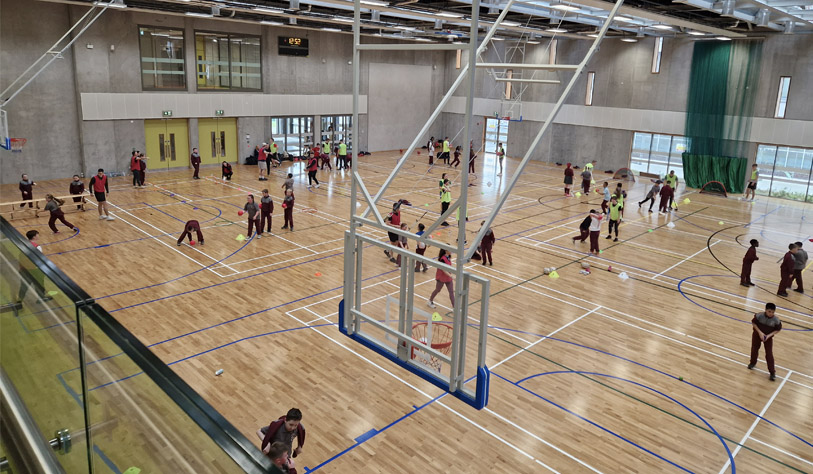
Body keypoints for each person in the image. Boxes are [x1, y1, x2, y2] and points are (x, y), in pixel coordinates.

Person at [258, 408, 306, 473]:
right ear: (285, 420)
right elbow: (259, 431)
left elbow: (301, 435)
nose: (293, 428)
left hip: (286, 456)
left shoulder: (298, 428)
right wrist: (267, 443)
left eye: (295, 425)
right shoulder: (276, 427)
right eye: (291, 425)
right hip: (275, 456)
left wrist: (299, 447)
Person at [747, 302, 782, 381]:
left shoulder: (776, 320)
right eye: (769, 311)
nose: (771, 314)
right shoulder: (759, 315)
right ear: (765, 310)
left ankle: (772, 372)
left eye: (773, 312)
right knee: (754, 349)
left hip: (768, 338)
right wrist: (760, 333)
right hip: (757, 335)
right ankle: (752, 363)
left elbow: (778, 329)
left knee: (769, 354)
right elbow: (753, 323)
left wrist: (768, 336)